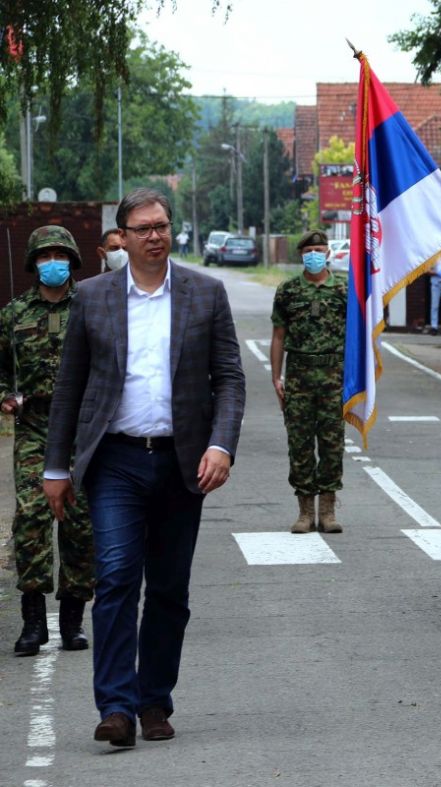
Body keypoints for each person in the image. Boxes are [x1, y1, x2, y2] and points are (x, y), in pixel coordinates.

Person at [43, 187, 246, 747]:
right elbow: (70, 388)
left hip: (184, 464)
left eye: (162, 226)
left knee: (168, 592)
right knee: (114, 580)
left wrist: (221, 445)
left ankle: (154, 700)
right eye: (143, 229)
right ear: (123, 238)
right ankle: (115, 706)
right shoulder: (94, 297)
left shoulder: (205, 294)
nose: (155, 236)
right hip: (116, 461)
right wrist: (56, 466)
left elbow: (229, 379)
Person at [1, 226, 95, 657]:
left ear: (73, 261)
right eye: (45, 255)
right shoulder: (14, 312)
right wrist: (6, 395)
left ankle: (73, 620)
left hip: (82, 427)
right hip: (35, 427)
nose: (52, 262)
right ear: (33, 262)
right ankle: (33, 623)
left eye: (60, 254)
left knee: (79, 522)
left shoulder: (92, 306)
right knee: (32, 519)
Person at [270, 230, 348, 534]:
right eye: (309, 250)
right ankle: (305, 511)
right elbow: (278, 336)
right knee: (300, 444)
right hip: (300, 376)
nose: (314, 254)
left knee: (331, 444)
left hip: (333, 375)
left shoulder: (343, 289)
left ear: (328, 253)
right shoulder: (288, 291)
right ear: (301, 255)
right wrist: (276, 377)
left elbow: (357, 335)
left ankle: (327, 510)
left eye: (319, 249)